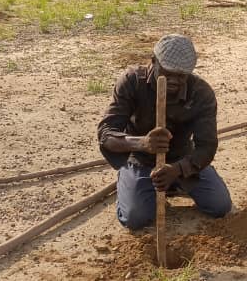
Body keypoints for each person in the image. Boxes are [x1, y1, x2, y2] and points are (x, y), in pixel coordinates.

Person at [97, 34, 232, 230]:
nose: (175, 81)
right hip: (141, 161)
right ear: (153, 62)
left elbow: (207, 146)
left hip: (182, 160)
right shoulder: (132, 82)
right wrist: (142, 143)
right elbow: (106, 133)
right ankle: (131, 182)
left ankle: (174, 183)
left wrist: (177, 169)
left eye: (181, 75)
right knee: (135, 218)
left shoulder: (201, 93)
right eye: (168, 73)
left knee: (220, 206)